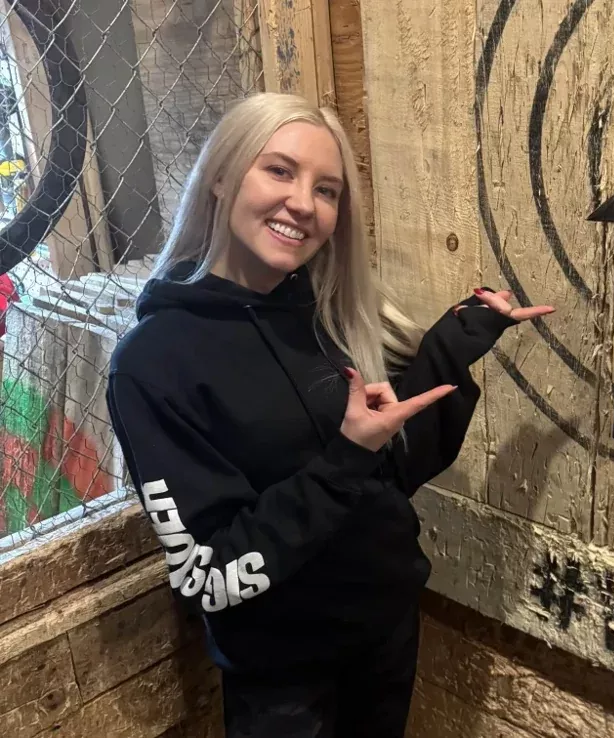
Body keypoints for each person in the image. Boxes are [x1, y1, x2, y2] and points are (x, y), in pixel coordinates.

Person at [105, 92, 555, 737]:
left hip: (385, 636)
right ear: (222, 177)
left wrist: (456, 341)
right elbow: (209, 574)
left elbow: (393, 473)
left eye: (326, 190)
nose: (303, 204)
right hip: (284, 679)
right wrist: (345, 458)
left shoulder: (327, 317)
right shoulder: (152, 364)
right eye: (279, 171)